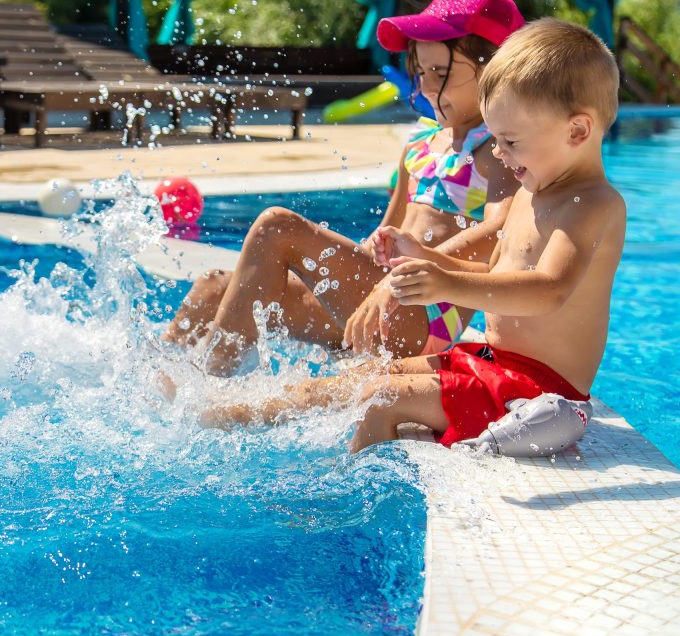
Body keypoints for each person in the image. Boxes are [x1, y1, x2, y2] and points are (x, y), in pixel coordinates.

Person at [202, 18, 626, 454]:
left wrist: (444, 283)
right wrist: (425, 257)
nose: (498, 153)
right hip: (492, 366)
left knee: (379, 397)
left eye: (510, 141)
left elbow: (548, 291)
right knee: (355, 380)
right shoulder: (531, 194)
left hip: (539, 395)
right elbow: (494, 271)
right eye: (496, 140)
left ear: (577, 131)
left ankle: (344, 495)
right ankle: (217, 417)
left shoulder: (593, 205)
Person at [163, 0, 525, 376]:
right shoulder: (419, 147)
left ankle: (206, 394)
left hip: (421, 316)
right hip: (375, 301)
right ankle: (159, 388)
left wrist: (415, 265)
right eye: (421, 73)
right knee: (214, 287)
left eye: (440, 72)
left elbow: (502, 233)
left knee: (278, 226)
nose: (427, 87)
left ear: (492, 69)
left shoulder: (496, 150)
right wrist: (366, 255)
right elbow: (383, 235)